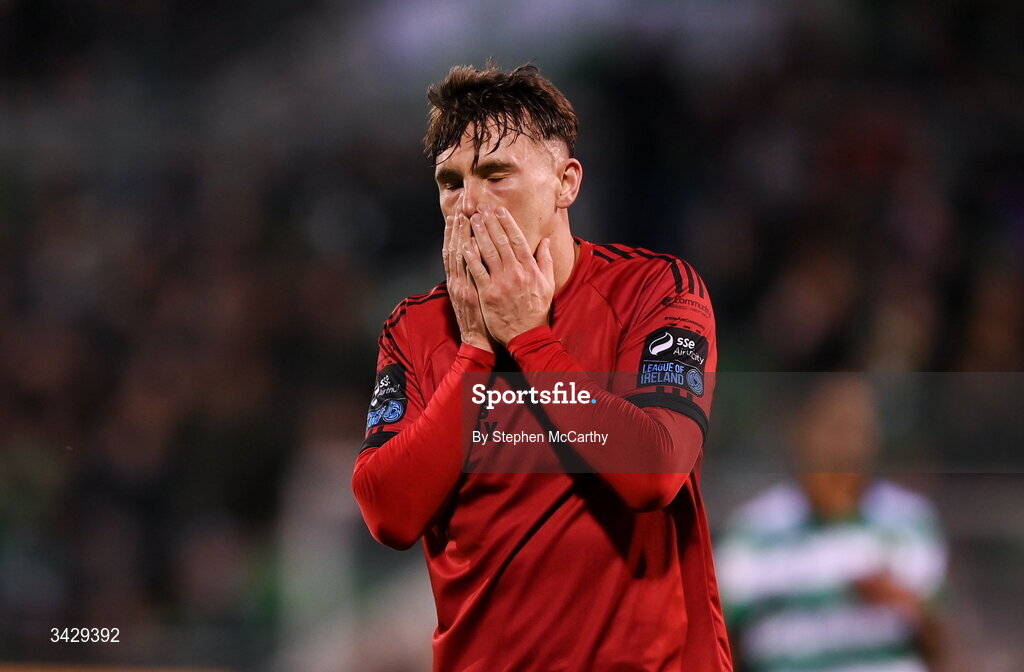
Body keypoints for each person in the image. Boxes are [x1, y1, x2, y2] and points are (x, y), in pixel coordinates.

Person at [351, 62, 732, 672]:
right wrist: (475, 350)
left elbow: (655, 470)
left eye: (495, 174)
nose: (468, 204)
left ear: (566, 183)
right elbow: (389, 513)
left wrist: (528, 339)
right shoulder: (416, 330)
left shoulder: (655, 291)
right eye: (450, 183)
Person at [715, 375, 948, 672]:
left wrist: (908, 604)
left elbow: (939, 646)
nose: (847, 446)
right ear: (801, 433)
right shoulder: (753, 532)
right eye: (835, 428)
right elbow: (722, 644)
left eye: (859, 430)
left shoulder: (909, 521)